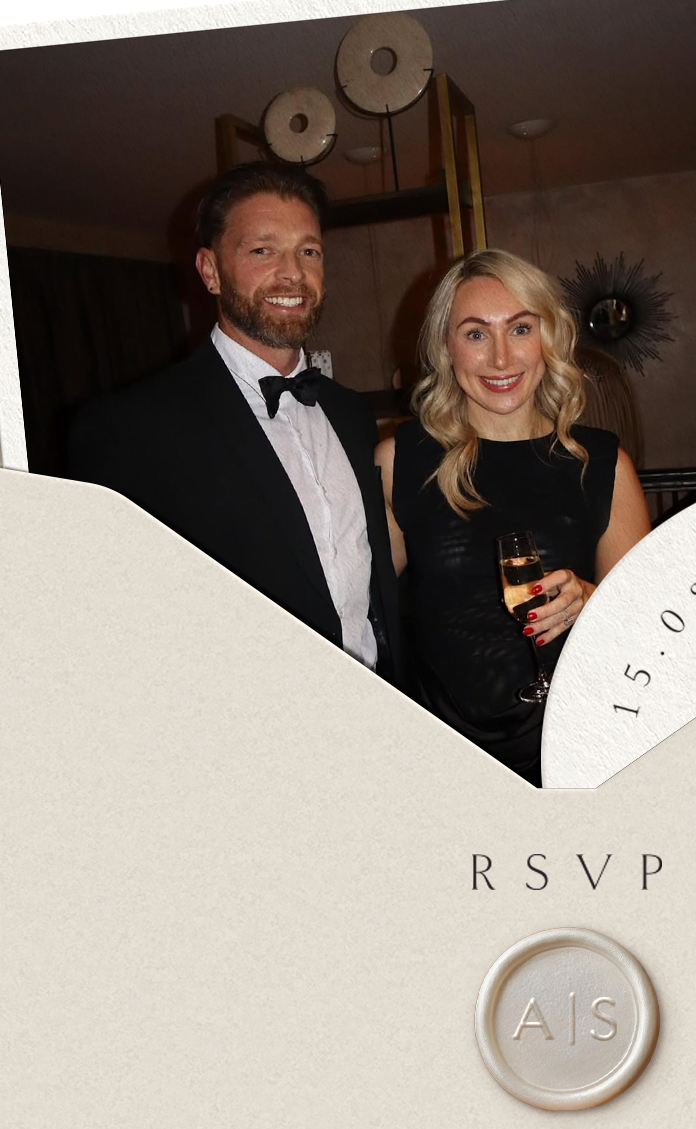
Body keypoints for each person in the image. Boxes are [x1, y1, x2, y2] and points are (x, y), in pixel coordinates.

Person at [67, 163, 405, 688]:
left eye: (309, 252)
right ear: (210, 271)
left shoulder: (352, 415)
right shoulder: (128, 428)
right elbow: (109, 620)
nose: (292, 274)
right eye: (262, 250)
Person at [377, 250, 651, 785]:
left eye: (521, 329)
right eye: (476, 334)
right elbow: (364, 613)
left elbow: (645, 625)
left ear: (548, 338)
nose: (501, 358)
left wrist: (593, 600)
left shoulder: (604, 465)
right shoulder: (399, 462)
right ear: (446, 346)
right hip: (441, 758)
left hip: (573, 747)